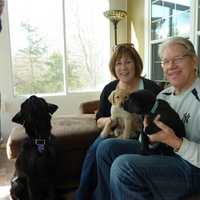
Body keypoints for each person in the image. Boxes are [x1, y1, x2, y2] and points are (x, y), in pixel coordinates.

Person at [93, 37, 200, 200]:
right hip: (163, 154)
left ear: (194, 61)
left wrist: (176, 142)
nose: (171, 66)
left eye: (178, 59)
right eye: (165, 61)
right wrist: (151, 138)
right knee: (106, 148)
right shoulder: (162, 95)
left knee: (124, 166)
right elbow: (148, 134)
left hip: (191, 166)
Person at [75, 43, 161, 200]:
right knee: (94, 149)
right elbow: (99, 119)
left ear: (136, 64)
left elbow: (160, 117)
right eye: (118, 63)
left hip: (141, 137)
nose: (123, 67)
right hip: (114, 131)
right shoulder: (110, 89)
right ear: (113, 67)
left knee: (104, 148)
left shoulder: (151, 88)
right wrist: (112, 120)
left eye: (128, 62)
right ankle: (82, 195)